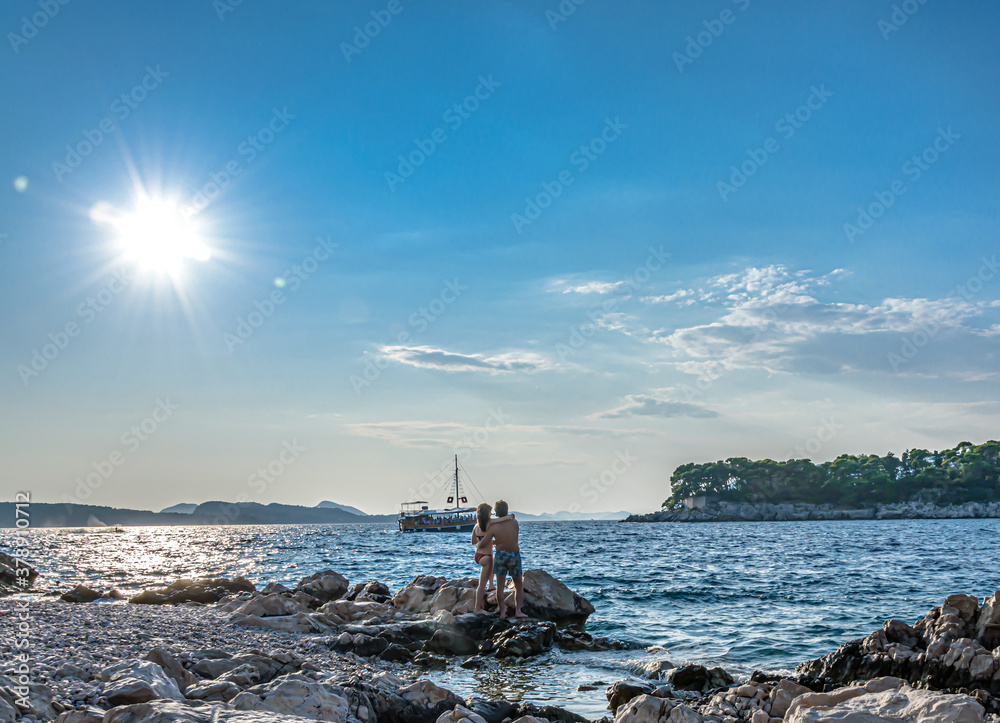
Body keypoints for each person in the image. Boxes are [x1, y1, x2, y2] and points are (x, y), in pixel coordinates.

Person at [471, 503, 513, 614]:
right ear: (486, 514)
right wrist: (510, 517)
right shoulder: (489, 523)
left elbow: (473, 542)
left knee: (492, 562)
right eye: (490, 512)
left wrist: (487, 541)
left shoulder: (476, 526)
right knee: (481, 584)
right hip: (486, 556)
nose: (491, 514)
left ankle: (491, 585)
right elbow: (500, 520)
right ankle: (477, 608)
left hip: (478, 555)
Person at [490, 499, 527, 619]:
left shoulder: (494, 525)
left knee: (500, 585)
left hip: (501, 554)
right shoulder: (514, 522)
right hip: (514, 554)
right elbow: (513, 536)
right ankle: (518, 611)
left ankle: (502, 613)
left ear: (496, 511)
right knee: (518, 584)